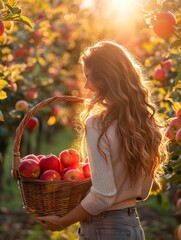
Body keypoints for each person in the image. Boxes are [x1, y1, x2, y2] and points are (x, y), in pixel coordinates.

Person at [36, 40, 169, 239]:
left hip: (104, 228)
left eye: (88, 77)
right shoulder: (146, 123)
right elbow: (142, 191)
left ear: (105, 78)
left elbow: (103, 195)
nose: (85, 86)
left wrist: (63, 222)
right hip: (132, 227)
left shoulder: (98, 124)